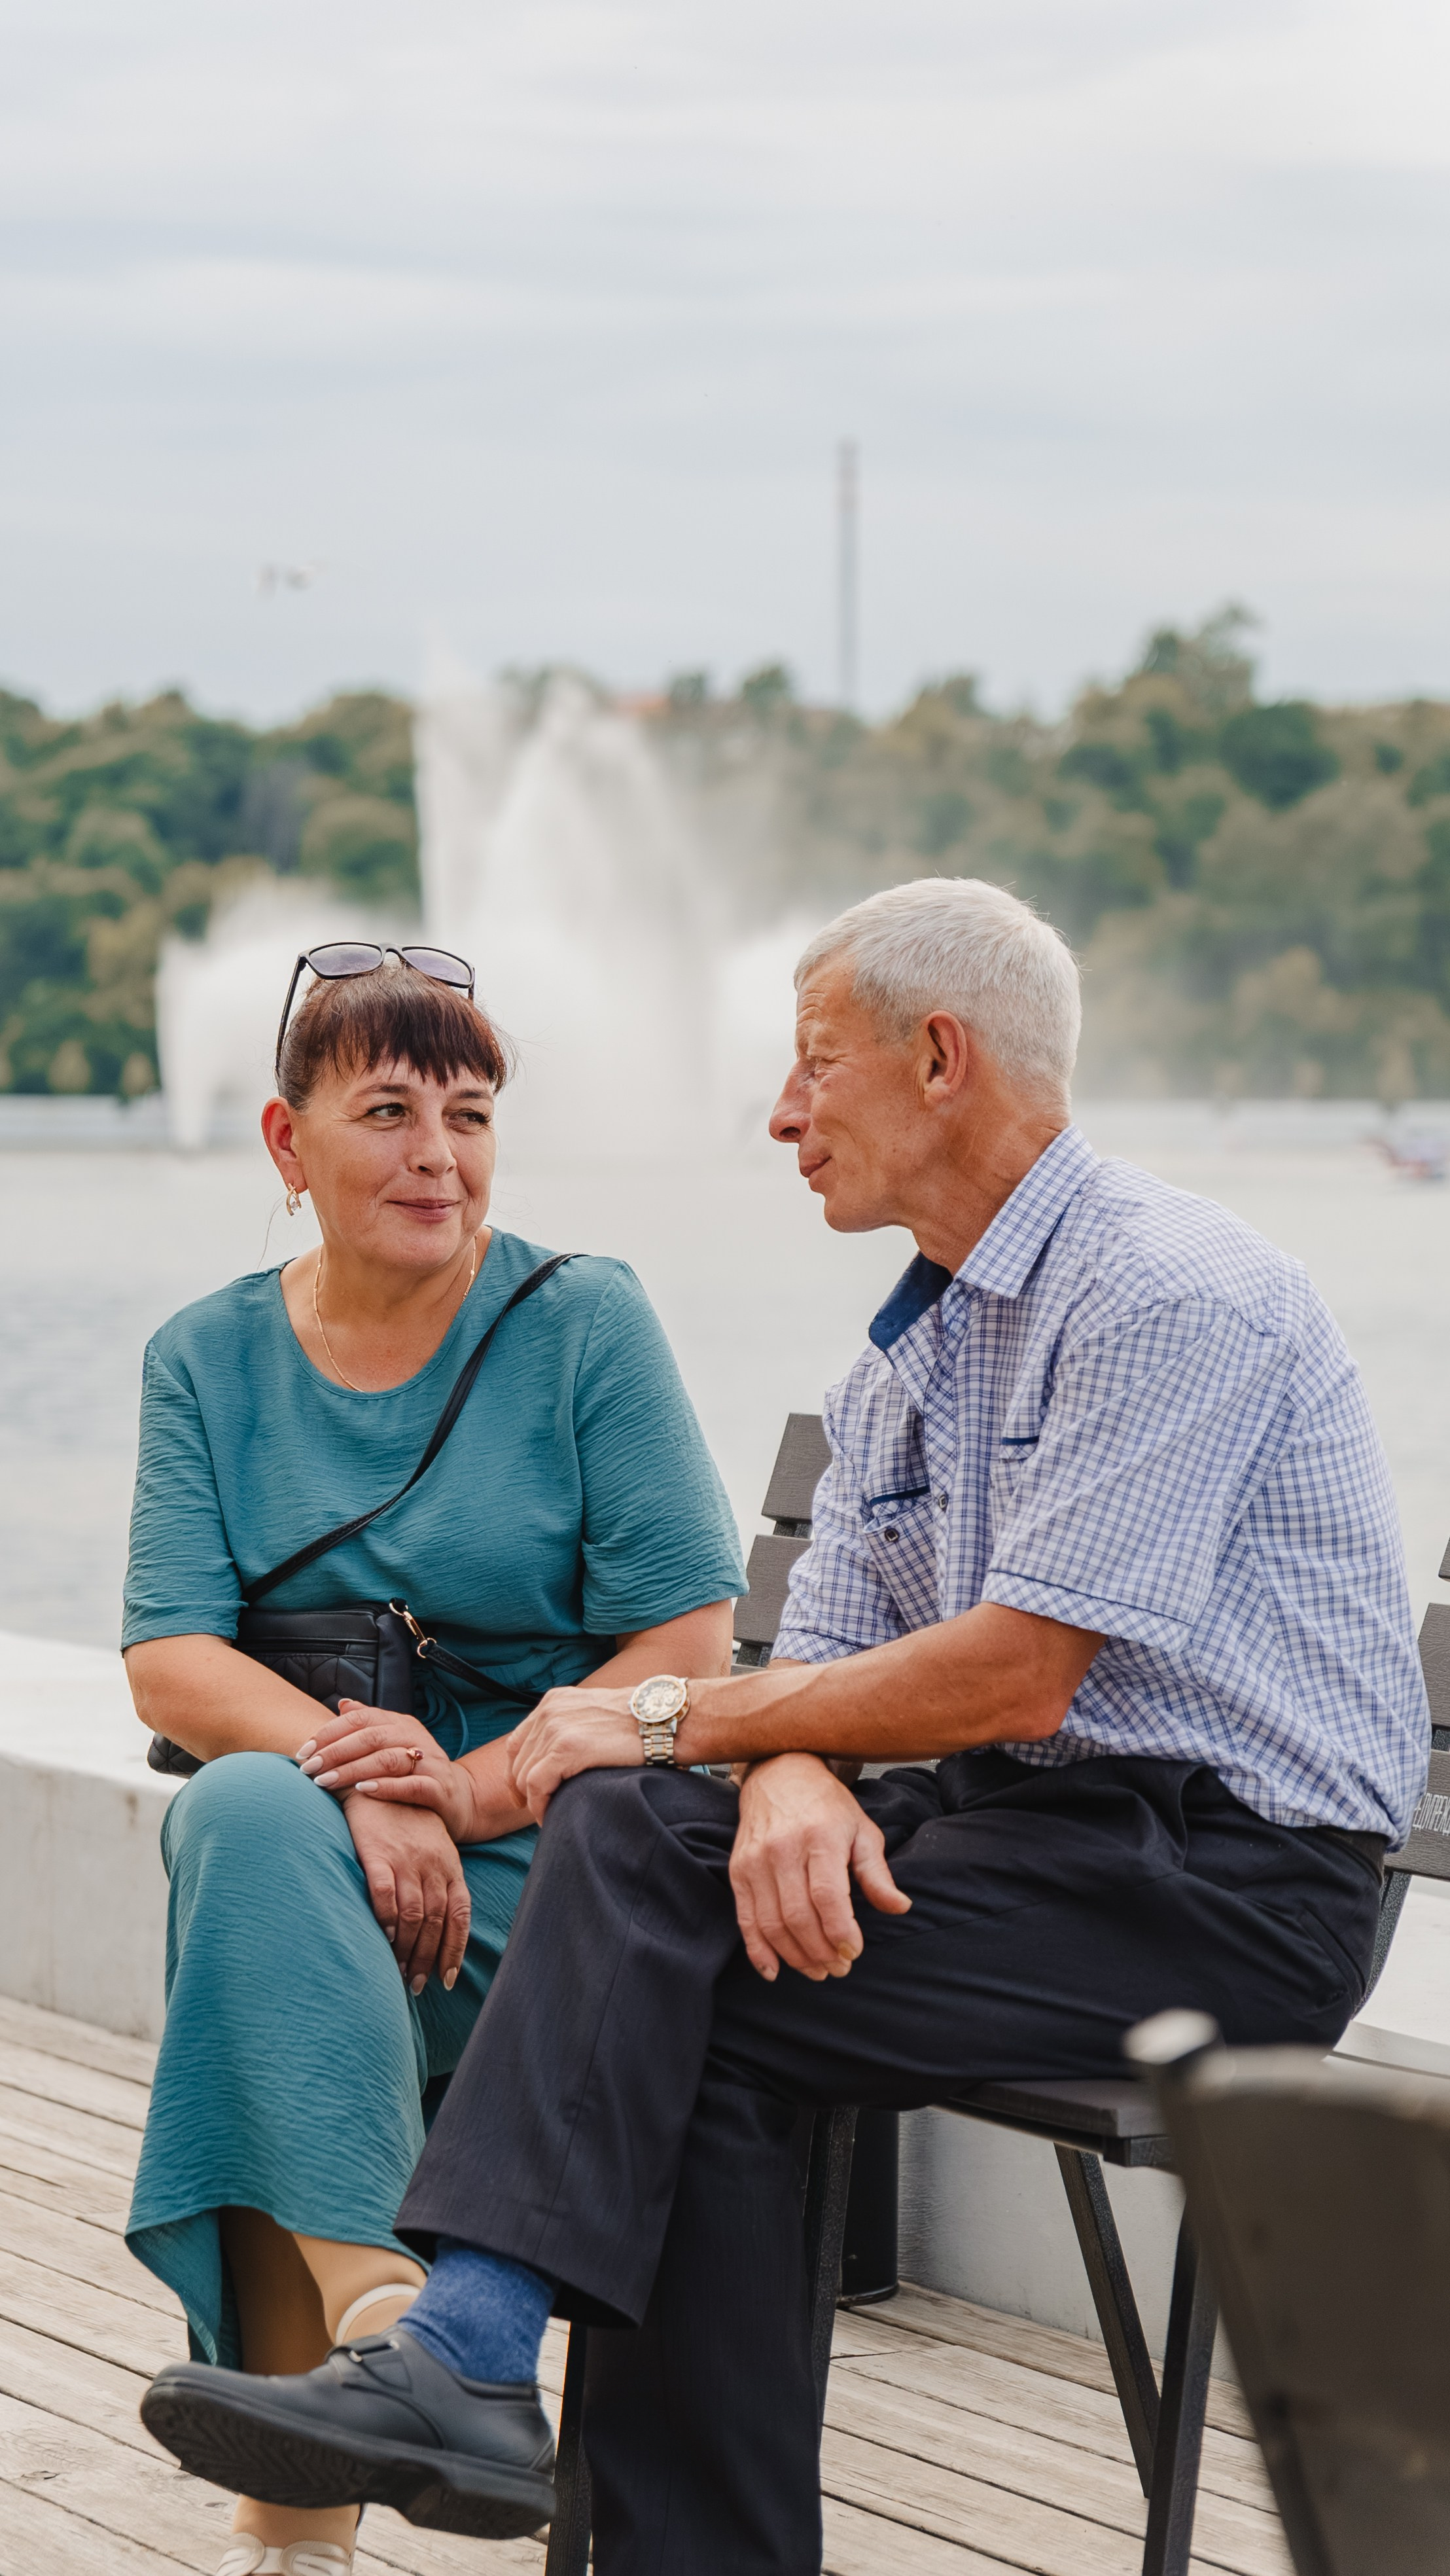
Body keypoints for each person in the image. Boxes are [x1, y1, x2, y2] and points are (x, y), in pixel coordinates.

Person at [141, 882, 1430, 2575]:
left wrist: (680, 1725)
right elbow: (829, 1644)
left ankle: (463, 2357)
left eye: (817, 1067)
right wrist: (791, 1773)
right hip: (1028, 1850)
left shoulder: (1171, 1295)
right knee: (677, 1914)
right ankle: (488, 2385)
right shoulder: (923, 1354)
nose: (780, 1112)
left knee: (646, 1872)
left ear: (942, 1059)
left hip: (1227, 1892)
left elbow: (1017, 1673)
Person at [122, 944, 743, 2576]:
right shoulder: (206, 1356)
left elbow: (687, 1654)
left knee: (250, 1929)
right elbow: (173, 1657)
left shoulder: (581, 1319)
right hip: (338, 1833)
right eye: (388, 1111)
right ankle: (393, 2319)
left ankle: (305, 2524)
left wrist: (462, 1788)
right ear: (285, 1142)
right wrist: (373, 1778)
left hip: (566, 1858)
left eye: (467, 1116)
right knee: (251, 1821)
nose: (437, 1156)